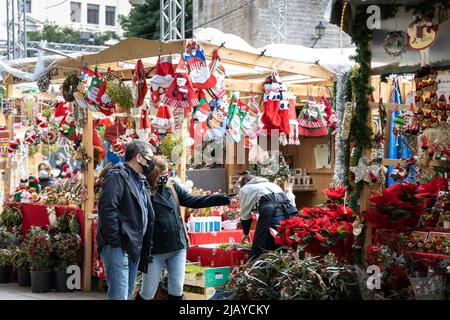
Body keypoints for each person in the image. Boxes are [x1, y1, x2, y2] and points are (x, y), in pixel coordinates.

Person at [137, 155, 231, 300]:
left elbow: (192, 200)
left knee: (177, 289)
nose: (165, 176)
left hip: (177, 246)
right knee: (148, 292)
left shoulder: (173, 187)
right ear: (152, 174)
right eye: (161, 173)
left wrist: (222, 198)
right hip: (154, 250)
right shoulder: (143, 191)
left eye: (166, 173)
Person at [97, 140, 156, 300]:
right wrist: (115, 240)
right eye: (149, 157)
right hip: (119, 246)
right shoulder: (117, 175)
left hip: (132, 245)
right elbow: (107, 208)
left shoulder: (140, 179)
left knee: (127, 295)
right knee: (120, 296)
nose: (152, 162)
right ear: (139, 157)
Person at [238, 174, 298, 260]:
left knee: (261, 246)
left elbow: (245, 215)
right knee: (284, 243)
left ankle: (256, 269)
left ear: (243, 184)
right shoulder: (272, 185)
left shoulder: (245, 189)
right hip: (289, 213)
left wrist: (246, 232)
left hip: (272, 214)